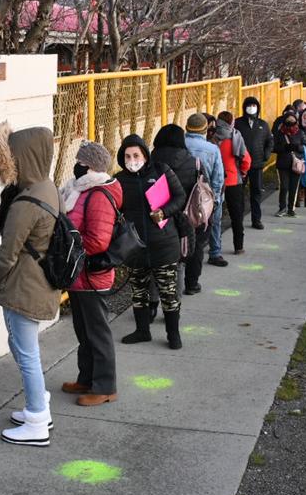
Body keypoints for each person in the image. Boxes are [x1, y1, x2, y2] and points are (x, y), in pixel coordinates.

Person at [0, 123, 63, 447]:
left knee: (26, 352)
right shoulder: (48, 187)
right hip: (40, 282)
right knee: (22, 347)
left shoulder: (26, 202)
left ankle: (37, 420)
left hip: (25, 287)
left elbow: (5, 257)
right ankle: (38, 402)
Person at [59, 140, 122, 404]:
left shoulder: (97, 194)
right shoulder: (81, 190)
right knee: (84, 331)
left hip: (92, 276)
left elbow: (98, 240)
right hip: (80, 275)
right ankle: (87, 379)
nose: (77, 166)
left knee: (97, 332)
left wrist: (67, 243)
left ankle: (105, 387)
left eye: (81, 162)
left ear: (90, 166)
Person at [115, 134, 187, 348]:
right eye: (127, 156)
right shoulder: (119, 180)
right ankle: (142, 330)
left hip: (164, 244)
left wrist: (164, 212)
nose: (132, 160)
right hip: (135, 247)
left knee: (168, 291)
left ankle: (173, 334)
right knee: (139, 291)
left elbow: (180, 197)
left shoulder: (161, 171)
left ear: (145, 155)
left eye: (136, 155)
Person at [151, 124, 200, 301]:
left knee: (153, 262)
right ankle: (174, 303)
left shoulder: (151, 159)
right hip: (182, 217)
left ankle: (152, 303)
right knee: (177, 261)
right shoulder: (191, 161)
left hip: (155, 216)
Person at [184, 113, 225, 279]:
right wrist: (215, 200)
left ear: (187, 128)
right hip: (204, 199)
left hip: (182, 198)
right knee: (203, 236)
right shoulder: (212, 149)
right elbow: (218, 177)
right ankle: (194, 279)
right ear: (205, 129)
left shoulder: (181, 145)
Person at [214, 112, 252, 255]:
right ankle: (238, 246)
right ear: (231, 122)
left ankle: (214, 246)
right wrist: (242, 172)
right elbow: (246, 160)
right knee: (236, 215)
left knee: (214, 217)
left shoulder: (212, 138)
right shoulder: (235, 137)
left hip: (215, 182)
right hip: (233, 180)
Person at [234, 97, 273, 230]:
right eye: (249, 105)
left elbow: (270, 141)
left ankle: (256, 220)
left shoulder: (263, 124)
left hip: (257, 164)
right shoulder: (237, 123)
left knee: (256, 193)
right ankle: (238, 220)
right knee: (239, 194)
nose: (251, 107)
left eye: (254, 105)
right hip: (240, 165)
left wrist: (266, 155)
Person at [273, 113, 300, 217]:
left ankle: (291, 209)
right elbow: (273, 148)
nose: (290, 121)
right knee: (284, 187)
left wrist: (299, 148)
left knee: (294, 187)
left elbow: (304, 146)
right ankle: (282, 208)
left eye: (292, 119)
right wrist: (285, 148)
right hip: (283, 164)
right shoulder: (279, 133)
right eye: (288, 119)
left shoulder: (299, 133)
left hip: (296, 163)